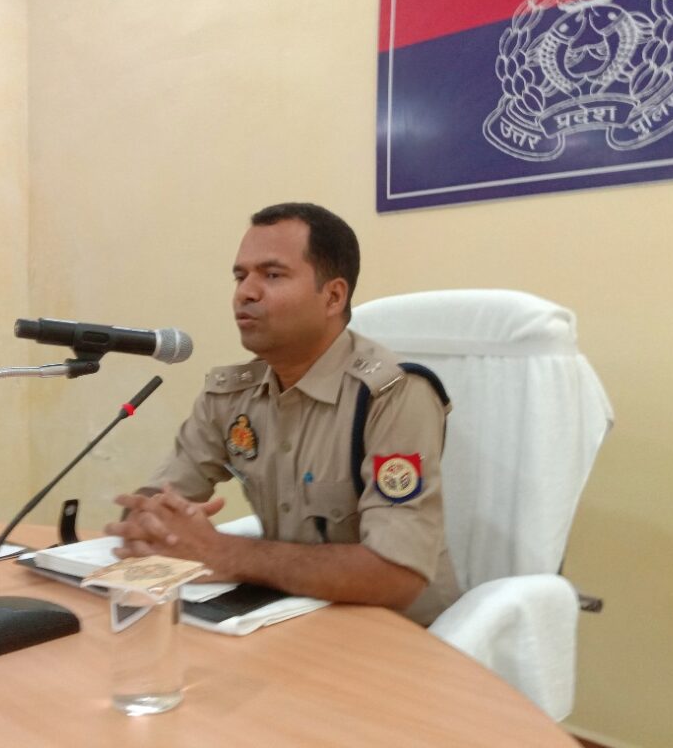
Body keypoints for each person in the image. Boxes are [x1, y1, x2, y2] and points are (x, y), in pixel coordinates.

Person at [106, 202, 459, 625]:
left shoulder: (393, 395)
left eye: (272, 275)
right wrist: (150, 523)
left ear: (333, 296)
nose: (246, 292)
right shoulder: (231, 395)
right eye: (240, 276)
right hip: (289, 618)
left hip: (401, 634)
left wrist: (223, 552)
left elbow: (395, 576)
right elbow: (156, 501)